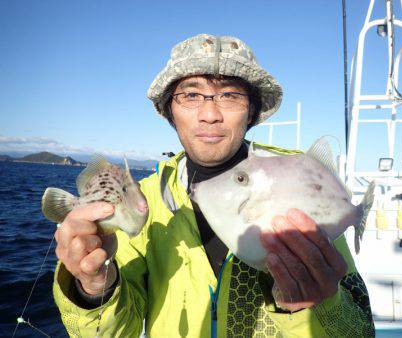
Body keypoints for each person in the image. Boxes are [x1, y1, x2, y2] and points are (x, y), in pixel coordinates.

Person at [53, 34, 375, 337]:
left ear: (251, 112)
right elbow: (115, 331)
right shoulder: (144, 203)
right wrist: (94, 287)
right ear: (170, 111)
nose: (209, 114)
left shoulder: (299, 180)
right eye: (190, 95)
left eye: (230, 95)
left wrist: (322, 305)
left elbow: (360, 331)